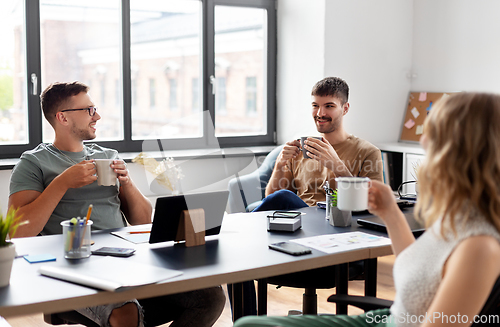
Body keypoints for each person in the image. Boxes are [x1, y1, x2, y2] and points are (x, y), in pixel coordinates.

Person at [234, 92, 500, 327]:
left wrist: (337, 166)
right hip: (389, 313)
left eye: (435, 134)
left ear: (464, 151)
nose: (423, 141)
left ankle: (239, 248)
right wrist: (391, 213)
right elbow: (420, 267)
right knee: (248, 323)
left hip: (387, 312)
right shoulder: (458, 216)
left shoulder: (480, 247)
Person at [9, 81, 225, 327]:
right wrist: (62, 183)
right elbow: (17, 231)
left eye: (95, 109)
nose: (97, 116)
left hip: (125, 258)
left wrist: (128, 183)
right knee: (125, 312)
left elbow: (143, 221)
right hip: (72, 267)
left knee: (210, 295)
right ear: (63, 118)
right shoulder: (33, 163)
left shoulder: (108, 156)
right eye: (89, 110)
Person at [254, 76, 383, 211]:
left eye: (329, 106)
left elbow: (374, 203)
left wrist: (337, 166)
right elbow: (272, 200)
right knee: (283, 196)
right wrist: (279, 164)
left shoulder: (368, 152)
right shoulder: (302, 148)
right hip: (303, 221)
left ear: (345, 109)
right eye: (315, 106)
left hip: (339, 220)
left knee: (283, 197)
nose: (320, 113)